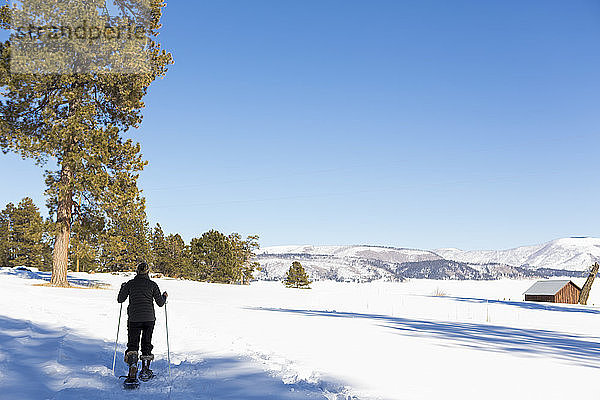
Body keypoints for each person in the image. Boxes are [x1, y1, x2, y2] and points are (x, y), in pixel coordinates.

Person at [117, 261, 168, 382]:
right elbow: (160, 303)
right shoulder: (152, 284)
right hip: (149, 319)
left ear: (137, 271)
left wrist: (122, 288)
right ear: (147, 272)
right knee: (146, 343)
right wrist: (164, 296)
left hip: (134, 318)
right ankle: (145, 369)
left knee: (133, 344)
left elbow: (120, 300)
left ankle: (133, 366)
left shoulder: (130, 284)